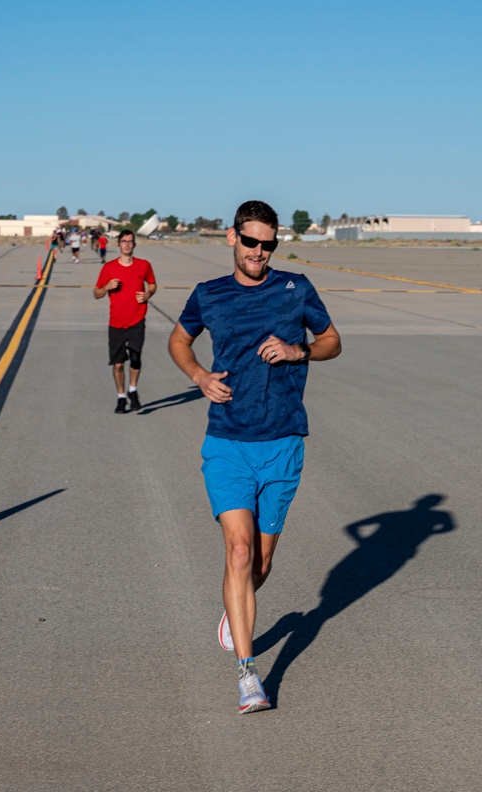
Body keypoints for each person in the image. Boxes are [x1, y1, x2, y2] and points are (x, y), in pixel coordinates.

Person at [167, 200, 341, 714]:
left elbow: (332, 341)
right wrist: (198, 376)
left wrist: (298, 351)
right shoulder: (209, 295)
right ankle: (249, 675)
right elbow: (179, 340)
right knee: (238, 553)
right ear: (232, 239)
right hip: (227, 443)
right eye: (250, 242)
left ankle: (235, 605)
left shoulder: (296, 290)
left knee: (259, 563)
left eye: (268, 244)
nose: (259, 252)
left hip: (283, 442)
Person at [94, 229, 157, 413]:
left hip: (137, 319)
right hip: (116, 322)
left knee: (136, 357)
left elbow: (152, 284)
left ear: (134, 244)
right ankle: (121, 397)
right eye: (124, 241)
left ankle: (133, 390)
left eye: (130, 241)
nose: (127, 244)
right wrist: (106, 287)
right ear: (118, 244)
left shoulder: (143, 265)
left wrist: (148, 294)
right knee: (119, 364)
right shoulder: (109, 268)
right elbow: (96, 293)